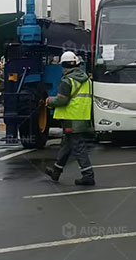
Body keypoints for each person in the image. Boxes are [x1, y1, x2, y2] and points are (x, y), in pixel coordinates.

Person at [44, 51, 95, 186]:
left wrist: (49, 101)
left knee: (78, 147)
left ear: (63, 65)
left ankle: (88, 175)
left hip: (71, 119)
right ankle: (56, 172)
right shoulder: (86, 79)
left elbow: (62, 100)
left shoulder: (68, 80)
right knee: (67, 145)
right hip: (82, 117)